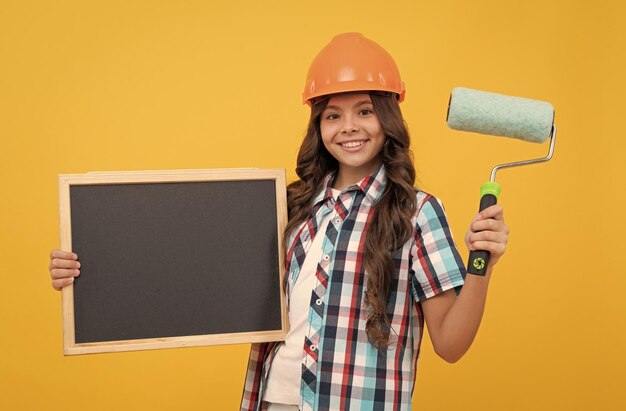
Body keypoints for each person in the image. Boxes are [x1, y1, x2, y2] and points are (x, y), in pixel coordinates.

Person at [48, 33, 509, 411]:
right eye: (333, 115)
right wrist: (92, 275)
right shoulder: (289, 207)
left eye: (365, 111)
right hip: (271, 401)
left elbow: (451, 344)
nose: (349, 126)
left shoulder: (415, 211)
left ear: (388, 118)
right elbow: (182, 268)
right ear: (319, 126)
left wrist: (480, 263)